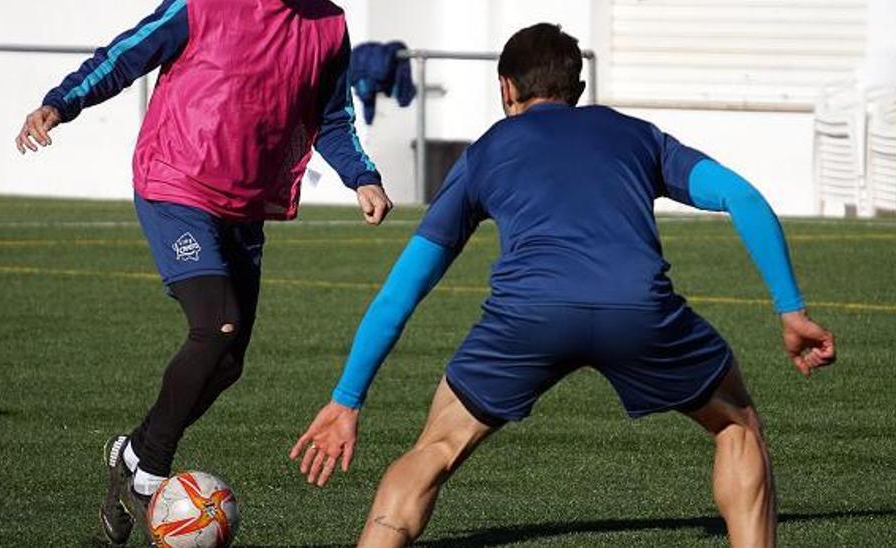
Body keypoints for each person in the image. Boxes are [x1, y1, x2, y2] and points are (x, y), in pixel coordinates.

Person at [289, 23, 835, 548]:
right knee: (736, 427)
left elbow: (402, 290)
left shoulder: (487, 151)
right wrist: (791, 309)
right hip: (637, 309)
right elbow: (743, 198)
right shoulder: (636, 135)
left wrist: (347, 399)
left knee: (436, 447)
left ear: (506, 87)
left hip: (529, 317)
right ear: (577, 88)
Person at [14, 1, 394, 545]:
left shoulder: (328, 25)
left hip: (245, 205)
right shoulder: (203, 5)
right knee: (218, 324)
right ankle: (149, 475)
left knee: (229, 361)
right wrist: (60, 103)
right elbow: (124, 56)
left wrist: (362, 177)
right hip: (176, 183)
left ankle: (134, 451)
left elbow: (333, 118)